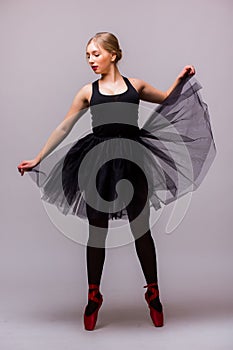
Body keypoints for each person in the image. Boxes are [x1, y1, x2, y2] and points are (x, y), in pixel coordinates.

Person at [17, 32, 216, 331]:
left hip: (133, 161)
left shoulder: (135, 86)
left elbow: (165, 100)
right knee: (97, 231)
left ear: (113, 54)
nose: (90, 61)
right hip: (97, 164)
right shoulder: (87, 91)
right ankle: (93, 296)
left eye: (95, 54)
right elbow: (64, 126)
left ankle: (153, 294)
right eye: (87, 56)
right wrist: (39, 157)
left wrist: (179, 80)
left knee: (141, 229)